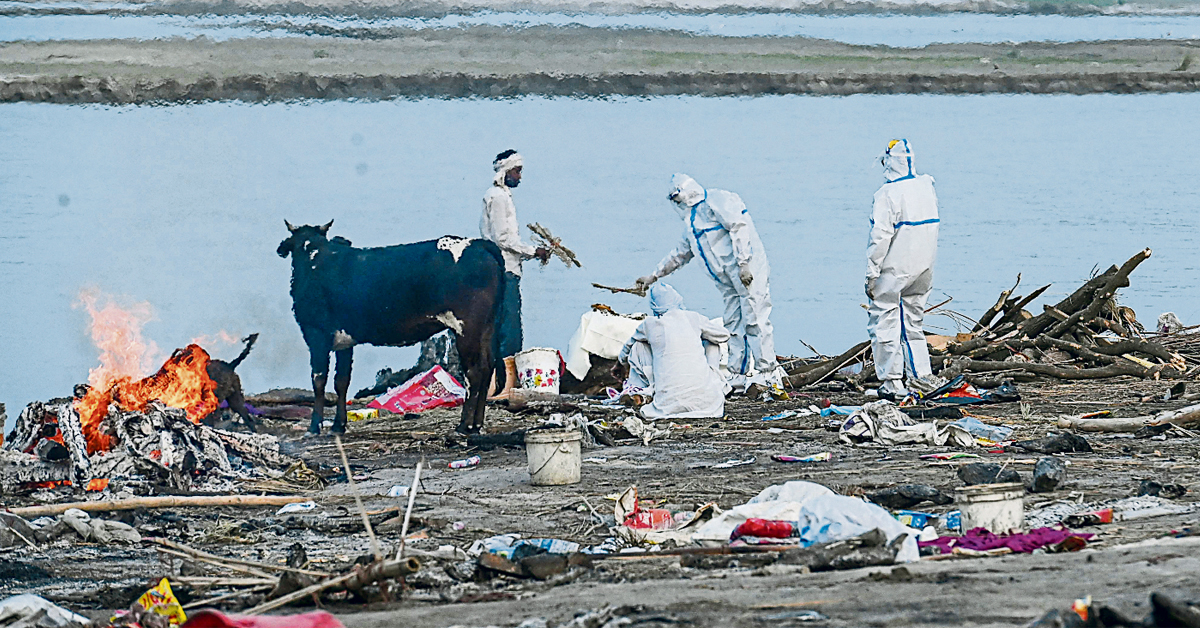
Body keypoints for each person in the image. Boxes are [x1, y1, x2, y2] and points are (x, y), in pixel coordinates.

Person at [633, 173, 781, 391]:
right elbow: (680, 254)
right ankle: (737, 375)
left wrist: (743, 263)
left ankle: (767, 373)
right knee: (733, 323)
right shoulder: (692, 223)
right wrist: (654, 276)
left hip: (747, 272)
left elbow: (739, 227)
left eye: (677, 198)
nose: (677, 203)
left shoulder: (716, 201)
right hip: (727, 281)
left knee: (755, 319)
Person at [865, 139, 941, 399]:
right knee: (913, 323)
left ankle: (892, 382)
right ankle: (921, 376)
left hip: (895, 269)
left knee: (884, 322)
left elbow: (880, 238)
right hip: (925, 267)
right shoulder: (926, 186)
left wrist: (871, 273)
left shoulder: (887, 194)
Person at [480, 150, 549, 378]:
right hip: (505, 269)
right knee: (510, 329)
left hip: (497, 269)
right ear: (505, 171)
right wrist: (533, 251)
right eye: (517, 171)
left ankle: (496, 380)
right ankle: (505, 381)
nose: (520, 177)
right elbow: (503, 239)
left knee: (498, 325)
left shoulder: (499, 194)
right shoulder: (498, 197)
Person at [617, 283, 730, 419]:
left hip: (668, 404)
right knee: (712, 342)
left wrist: (620, 363)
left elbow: (627, 347)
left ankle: (642, 389)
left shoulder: (649, 324)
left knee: (638, 346)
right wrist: (699, 334)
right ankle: (719, 385)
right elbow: (724, 335)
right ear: (677, 299)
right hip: (706, 404)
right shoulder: (693, 317)